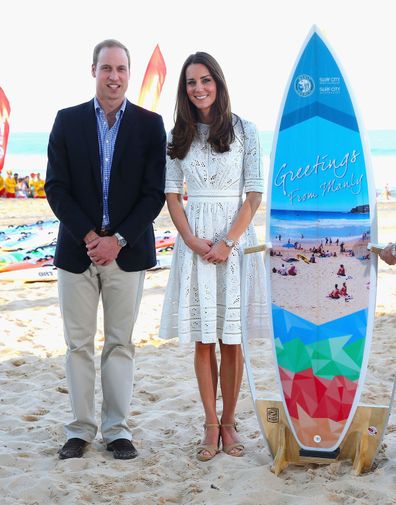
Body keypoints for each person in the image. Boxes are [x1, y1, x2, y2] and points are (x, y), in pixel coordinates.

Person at [45, 39, 166, 460]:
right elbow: (55, 188)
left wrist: (118, 240)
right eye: (106, 68)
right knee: (78, 345)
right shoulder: (67, 120)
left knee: (120, 343)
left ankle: (117, 430)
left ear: (129, 74)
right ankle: (79, 429)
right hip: (77, 253)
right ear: (93, 71)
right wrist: (90, 238)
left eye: (121, 69)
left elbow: (153, 195)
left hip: (127, 253)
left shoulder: (151, 125)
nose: (113, 76)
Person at [159, 52, 265, 461]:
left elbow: (254, 194)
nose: (198, 88)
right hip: (195, 243)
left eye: (205, 80)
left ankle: (229, 421)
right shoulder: (179, 134)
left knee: (232, 340)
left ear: (218, 83)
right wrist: (190, 239)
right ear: (184, 90)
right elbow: (172, 194)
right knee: (204, 339)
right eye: (190, 82)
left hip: (233, 243)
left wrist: (228, 242)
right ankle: (208, 423)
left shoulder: (245, 131)